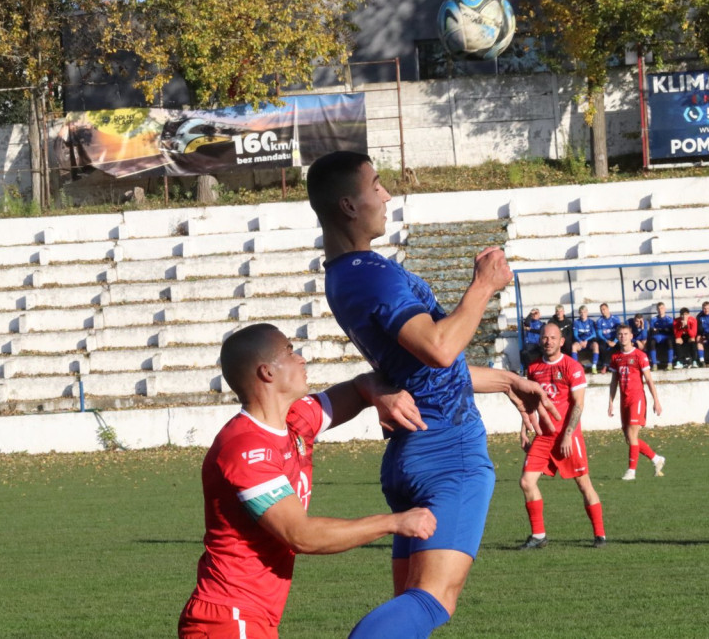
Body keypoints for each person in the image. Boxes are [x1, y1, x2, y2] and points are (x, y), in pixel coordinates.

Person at [306, 151, 559, 638]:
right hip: (449, 451)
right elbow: (441, 349)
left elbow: (425, 369)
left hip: (414, 449)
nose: (386, 194)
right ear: (348, 206)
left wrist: (508, 380)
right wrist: (484, 286)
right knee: (432, 601)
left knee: (411, 609)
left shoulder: (347, 273)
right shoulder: (370, 274)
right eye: (376, 185)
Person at [179, 323, 438, 638]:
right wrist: (395, 523)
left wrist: (379, 393)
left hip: (252, 618)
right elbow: (300, 535)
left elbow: (358, 389)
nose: (302, 359)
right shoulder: (245, 448)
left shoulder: (297, 420)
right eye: (289, 352)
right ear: (267, 373)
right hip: (229, 619)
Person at [520, 324, 606, 549]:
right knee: (526, 482)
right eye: (544, 337)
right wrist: (524, 428)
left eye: (552, 338)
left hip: (568, 435)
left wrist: (568, 434)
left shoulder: (572, 366)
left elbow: (578, 404)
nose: (548, 341)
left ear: (561, 342)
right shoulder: (534, 368)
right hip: (544, 435)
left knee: (583, 484)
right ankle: (538, 536)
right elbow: (530, 403)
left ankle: (600, 535)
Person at [608, 325, 666, 481]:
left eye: (626, 334)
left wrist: (656, 401)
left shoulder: (640, 355)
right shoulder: (616, 357)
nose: (623, 337)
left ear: (631, 336)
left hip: (637, 399)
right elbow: (614, 381)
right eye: (620, 334)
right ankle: (656, 459)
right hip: (624, 400)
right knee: (629, 439)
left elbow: (648, 379)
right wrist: (611, 402)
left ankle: (631, 472)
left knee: (633, 436)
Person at [592, 303, 621, 374]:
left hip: (615, 339)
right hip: (605, 339)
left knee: (622, 345)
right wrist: (607, 341)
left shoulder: (615, 319)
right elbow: (599, 334)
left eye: (604, 309)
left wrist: (615, 341)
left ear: (608, 309)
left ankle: (620, 364)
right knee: (602, 346)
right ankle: (605, 365)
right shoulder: (599, 321)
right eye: (601, 310)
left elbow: (619, 331)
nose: (602, 311)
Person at [647, 302, 675, 370]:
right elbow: (652, 331)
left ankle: (670, 364)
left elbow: (670, 330)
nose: (660, 310)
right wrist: (664, 329)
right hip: (657, 337)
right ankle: (654, 364)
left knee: (670, 342)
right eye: (659, 308)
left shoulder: (669, 319)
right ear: (657, 310)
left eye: (662, 308)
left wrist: (659, 329)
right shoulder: (654, 319)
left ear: (665, 309)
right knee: (651, 342)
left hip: (666, 336)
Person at [571, 305, 599, 371]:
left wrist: (586, 340)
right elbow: (575, 335)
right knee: (574, 346)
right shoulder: (576, 322)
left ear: (587, 312)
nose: (583, 314)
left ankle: (594, 366)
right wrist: (580, 341)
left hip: (589, 341)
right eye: (581, 312)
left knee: (596, 345)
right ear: (579, 313)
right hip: (580, 341)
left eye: (584, 312)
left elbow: (594, 334)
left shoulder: (591, 322)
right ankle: (575, 367)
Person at [520, 308, 544, 372]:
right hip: (530, 343)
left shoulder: (542, 324)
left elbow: (540, 331)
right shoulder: (529, 323)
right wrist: (531, 313)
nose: (534, 315)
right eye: (533, 314)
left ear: (539, 315)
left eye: (536, 313)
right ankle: (529, 369)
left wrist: (530, 329)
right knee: (524, 352)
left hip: (538, 344)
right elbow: (526, 322)